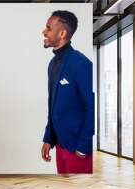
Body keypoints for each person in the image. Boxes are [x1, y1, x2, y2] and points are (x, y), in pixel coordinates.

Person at [40, 10, 94, 174]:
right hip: (60, 146)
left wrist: (83, 146)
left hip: (77, 149)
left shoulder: (81, 63)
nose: (44, 31)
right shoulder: (52, 64)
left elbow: (91, 107)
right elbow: (53, 105)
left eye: (48, 28)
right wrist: (48, 138)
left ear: (62, 33)